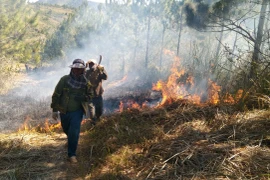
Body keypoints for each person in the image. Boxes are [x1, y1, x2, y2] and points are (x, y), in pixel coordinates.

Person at [51, 59, 93, 163]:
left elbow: (90, 95)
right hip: (64, 111)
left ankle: (72, 154)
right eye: (75, 69)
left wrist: (83, 97)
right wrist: (54, 110)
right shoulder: (64, 80)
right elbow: (56, 94)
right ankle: (70, 140)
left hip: (77, 111)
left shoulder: (86, 83)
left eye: (79, 69)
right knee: (66, 129)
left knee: (74, 131)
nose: (77, 71)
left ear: (83, 70)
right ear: (72, 69)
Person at [85, 56, 108, 125]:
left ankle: (98, 120)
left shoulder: (99, 72)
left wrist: (102, 69)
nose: (91, 66)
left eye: (92, 64)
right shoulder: (86, 73)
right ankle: (93, 123)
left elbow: (105, 77)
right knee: (92, 112)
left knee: (99, 111)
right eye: (90, 64)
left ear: (95, 65)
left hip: (98, 94)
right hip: (90, 95)